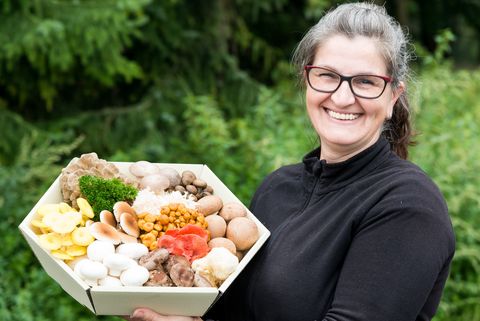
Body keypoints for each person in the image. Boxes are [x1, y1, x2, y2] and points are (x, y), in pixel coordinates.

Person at [126, 2, 455, 321]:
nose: (342, 97)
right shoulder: (278, 187)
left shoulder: (408, 206)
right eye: (327, 76)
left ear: (392, 98)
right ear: (306, 80)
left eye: (365, 82)